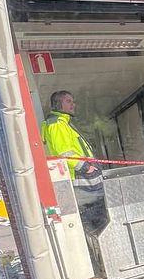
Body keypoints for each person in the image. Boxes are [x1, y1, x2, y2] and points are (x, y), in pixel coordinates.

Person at [41, 90, 106, 231]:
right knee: (95, 218)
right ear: (58, 104)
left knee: (95, 218)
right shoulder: (57, 124)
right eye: (68, 101)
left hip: (82, 178)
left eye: (73, 101)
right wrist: (86, 167)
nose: (73, 104)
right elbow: (64, 152)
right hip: (80, 179)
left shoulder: (62, 123)